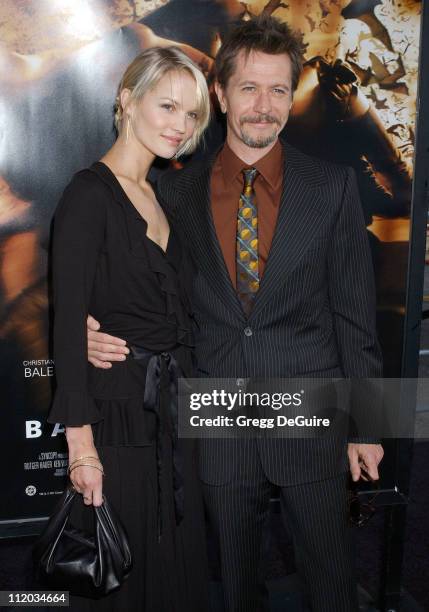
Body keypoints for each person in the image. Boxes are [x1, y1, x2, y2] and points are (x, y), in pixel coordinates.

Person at [86, 16, 384, 612]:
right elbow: (140, 294)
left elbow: (356, 315)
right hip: (216, 417)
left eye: (278, 89)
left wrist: (369, 427)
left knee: (329, 575)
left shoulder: (331, 188)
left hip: (311, 412)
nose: (264, 105)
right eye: (249, 87)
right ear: (219, 95)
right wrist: (89, 331)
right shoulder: (174, 193)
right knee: (233, 582)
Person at [46, 46, 211, 612]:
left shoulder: (162, 195)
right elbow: (66, 322)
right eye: (167, 106)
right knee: (122, 575)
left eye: (191, 115)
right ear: (126, 101)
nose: (180, 125)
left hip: (172, 409)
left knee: (173, 565)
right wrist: (80, 448)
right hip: (116, 415)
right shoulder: (89, 194)